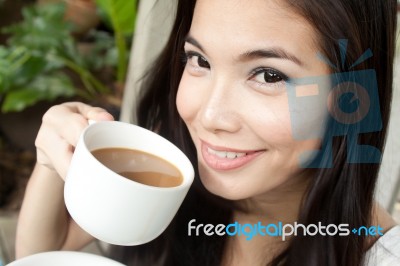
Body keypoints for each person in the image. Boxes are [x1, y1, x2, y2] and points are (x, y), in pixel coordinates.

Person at [15, 0, 399, 265]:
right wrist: (53, 160)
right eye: (199, 60)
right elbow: (46, 252)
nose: (210, 116)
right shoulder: (171, 174)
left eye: (268, 75)